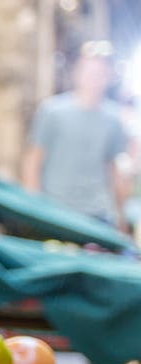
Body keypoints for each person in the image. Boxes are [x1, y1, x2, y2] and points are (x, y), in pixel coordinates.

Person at [22, 42, 133, 231]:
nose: (94, 79)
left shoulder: (114, 118)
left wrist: (121, 215)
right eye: (90, 72)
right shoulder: (52, 111)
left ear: (109, 77)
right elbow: (33, 160)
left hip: (98, 213)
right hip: (56, 210)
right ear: (77, 73)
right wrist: (33, 207)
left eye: (100, 73)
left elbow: (113, 168)